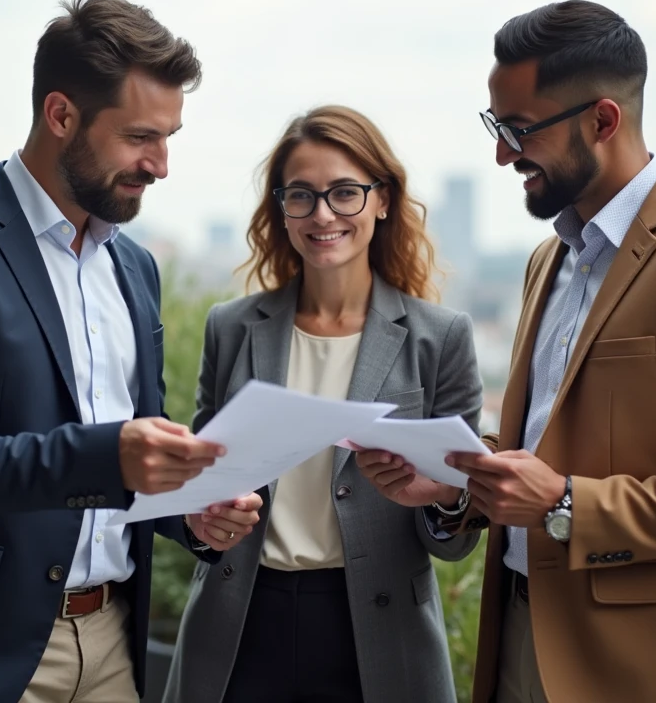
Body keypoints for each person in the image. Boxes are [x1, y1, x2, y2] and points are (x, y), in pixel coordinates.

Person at [0, 0, 262, 703]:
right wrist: (111, 456)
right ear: (61, 115)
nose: (161, 165)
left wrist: (190, 509)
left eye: (169, 137)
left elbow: (131, 450)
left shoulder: (135, 267)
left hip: (112, 642)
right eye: (140, 137)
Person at [438, 0, 656, 703]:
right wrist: (455, 479)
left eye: (518, 129)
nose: (503, 153)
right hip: (517, 637)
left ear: (603, 121)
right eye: (495, 126)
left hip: (644, 668)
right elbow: (551, 449)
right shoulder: (548, 260)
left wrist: (565, 502)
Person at [162, 105, 485, 703]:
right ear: (282, 209)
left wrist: (442, 494)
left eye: (344, 192)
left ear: (382, 199)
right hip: (239, 622)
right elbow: (203, 491)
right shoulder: (231, 327)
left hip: (376, 632)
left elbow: (457, 538)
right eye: (301, 195)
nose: (322, 214)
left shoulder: (440, 337)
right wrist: (204, 517)